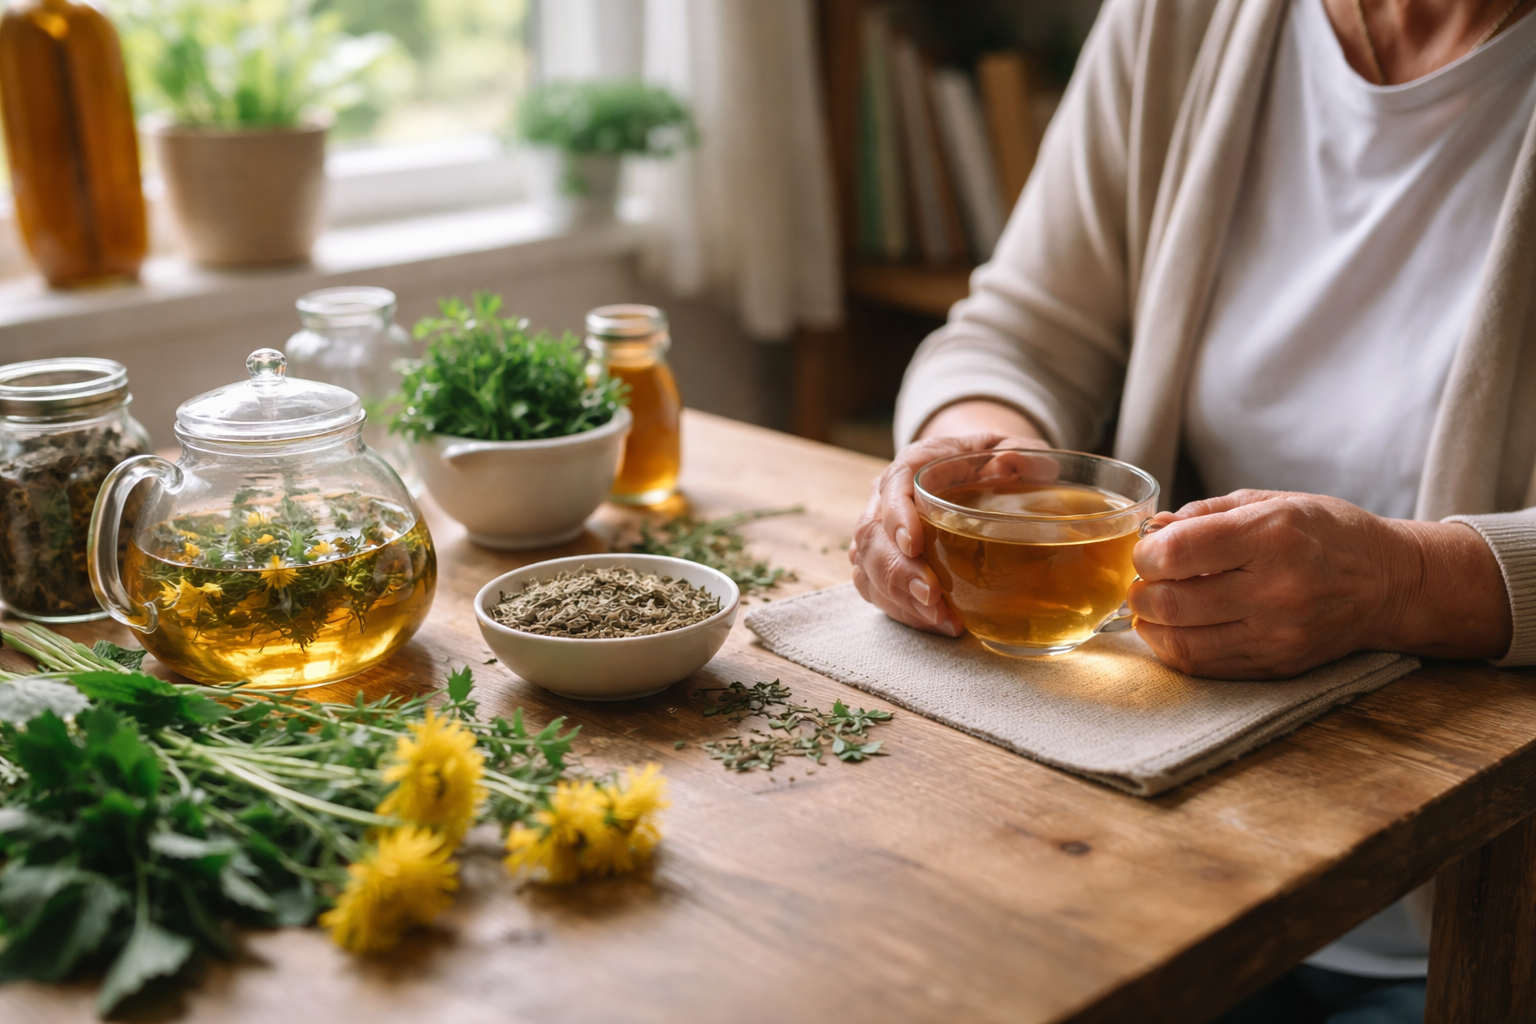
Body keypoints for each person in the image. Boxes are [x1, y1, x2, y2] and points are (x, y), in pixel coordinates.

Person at [848, 0, 1536, 1018]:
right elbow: (1023, 327)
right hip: (1156, 858)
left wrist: (1407, 578)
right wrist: (963, 445)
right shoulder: (1180, 17)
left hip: (1468, 919)